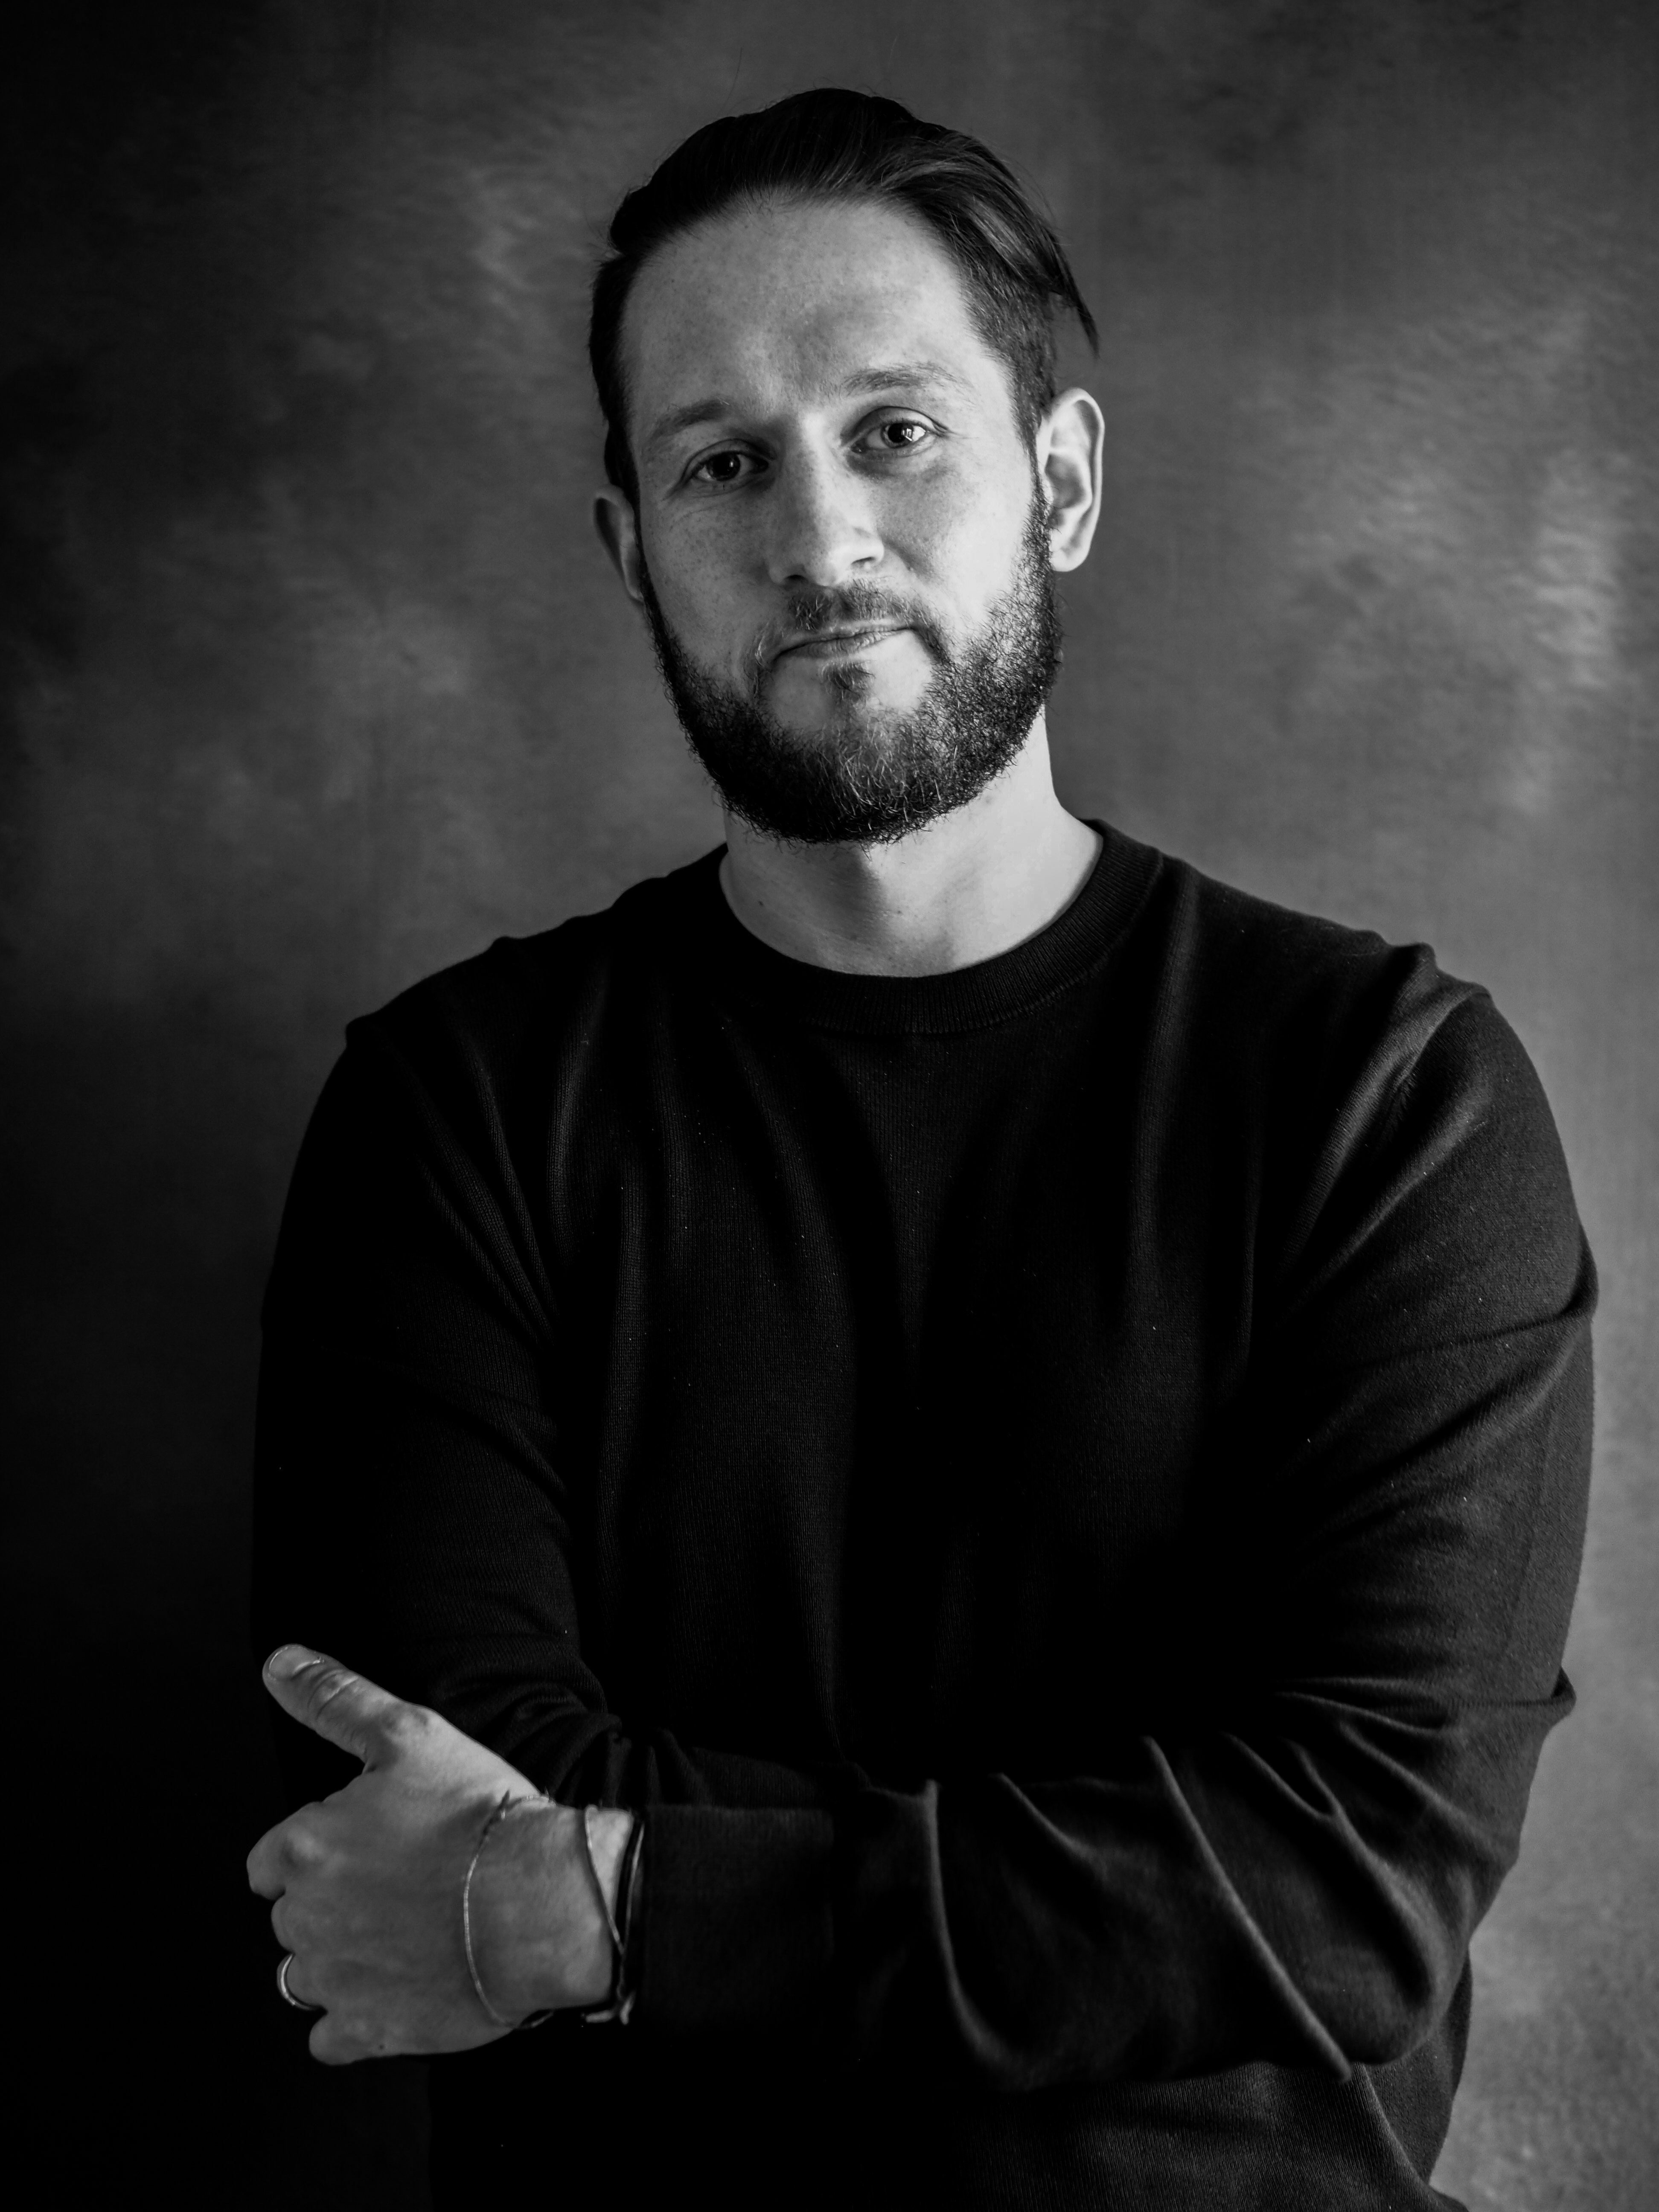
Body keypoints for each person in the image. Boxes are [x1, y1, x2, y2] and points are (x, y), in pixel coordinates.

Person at [247, 89, 1594, 2210]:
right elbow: (441, 1821)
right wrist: (1119, 1909)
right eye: (722, 464)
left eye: (895, 431)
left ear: (1057, 482)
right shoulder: (457, 1114)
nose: (820, 541)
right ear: (634, 551)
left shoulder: (1388, 1100)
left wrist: (612, 1908)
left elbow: (1342, 1889)